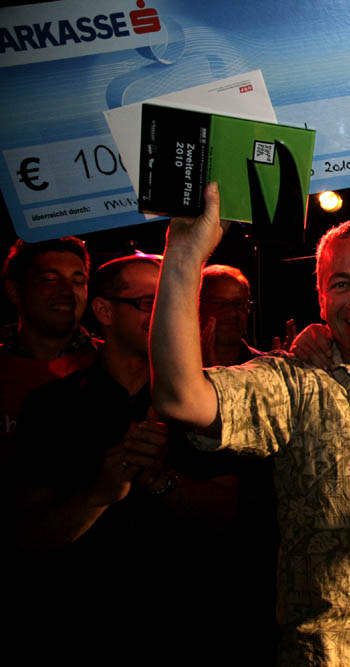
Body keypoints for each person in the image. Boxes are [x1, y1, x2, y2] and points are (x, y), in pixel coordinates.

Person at [150, 184, 350, 666]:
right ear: (321, 298)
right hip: (342, 653)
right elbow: (180, 396)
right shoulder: (295, 386)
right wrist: (184, 255)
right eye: (342, 283)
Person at [14, 254, 242, 663]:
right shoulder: (52, 407)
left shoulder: (205, 402)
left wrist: (162, 479)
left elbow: (234, 513)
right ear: (103, 311)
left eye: (171, 301)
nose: (164, 314)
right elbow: (30, 534)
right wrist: (100, 493)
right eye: (147, 303)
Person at [1, 237, 98, 449]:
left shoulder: (110, 364)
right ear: (14, 291)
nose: (67, 291)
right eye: (49, 279)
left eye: (78, 281)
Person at [199, 264, 267, 366]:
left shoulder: (263, 366)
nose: (232, 312)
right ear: (197, 307)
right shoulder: (177, 365)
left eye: (239, 304)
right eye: (220, 303)